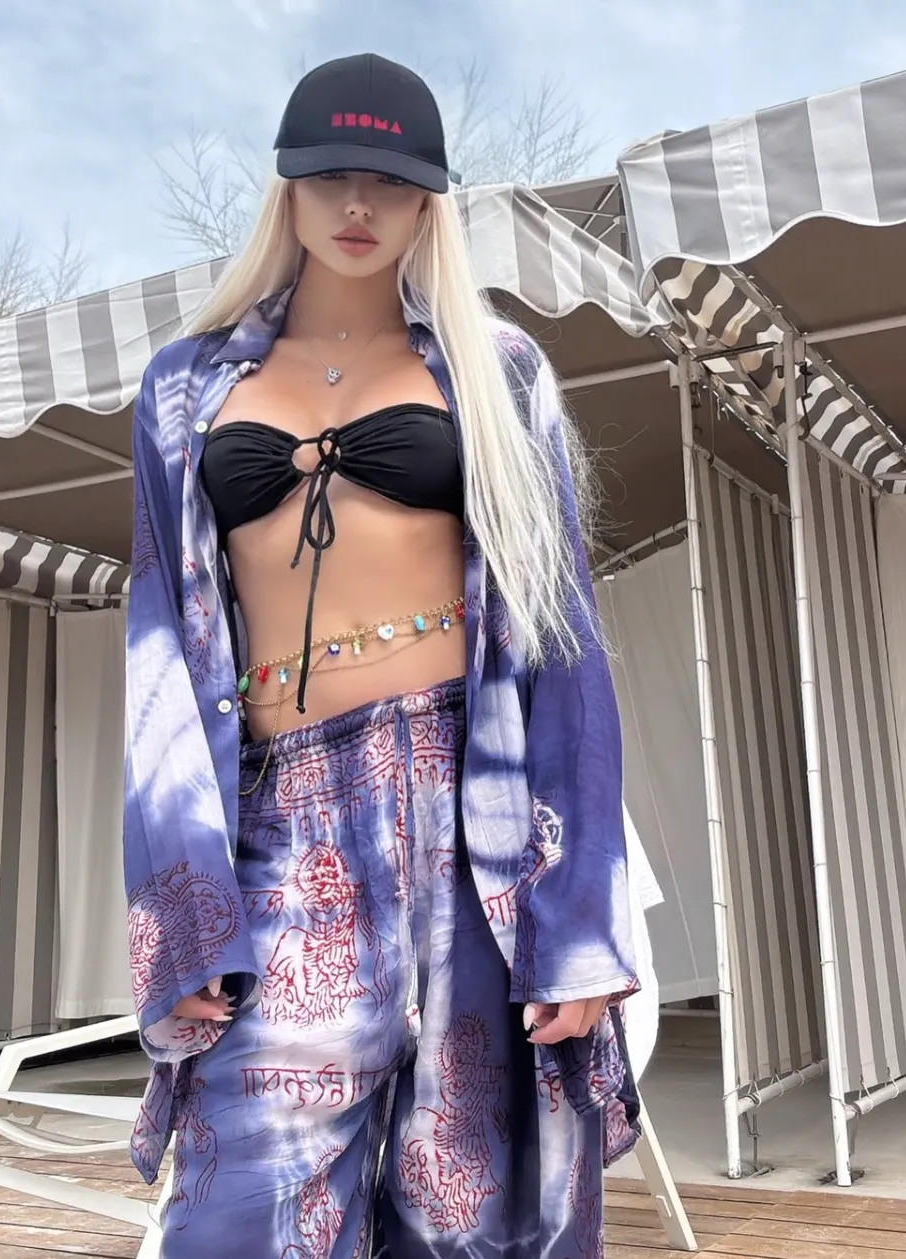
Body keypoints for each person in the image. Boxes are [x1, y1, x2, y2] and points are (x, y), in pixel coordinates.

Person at [123, 52, 638, 1259]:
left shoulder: (495, 373)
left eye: (390, 183)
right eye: (329, 178)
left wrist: (579, 920)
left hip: (471, 818)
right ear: (286, 188)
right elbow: (156, 654)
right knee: (237, 1214)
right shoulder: (182, 390)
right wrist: (176, 910)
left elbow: (562, 646)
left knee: (470, 1211)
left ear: (427, 203)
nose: (357, 205)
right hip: (280, 816)